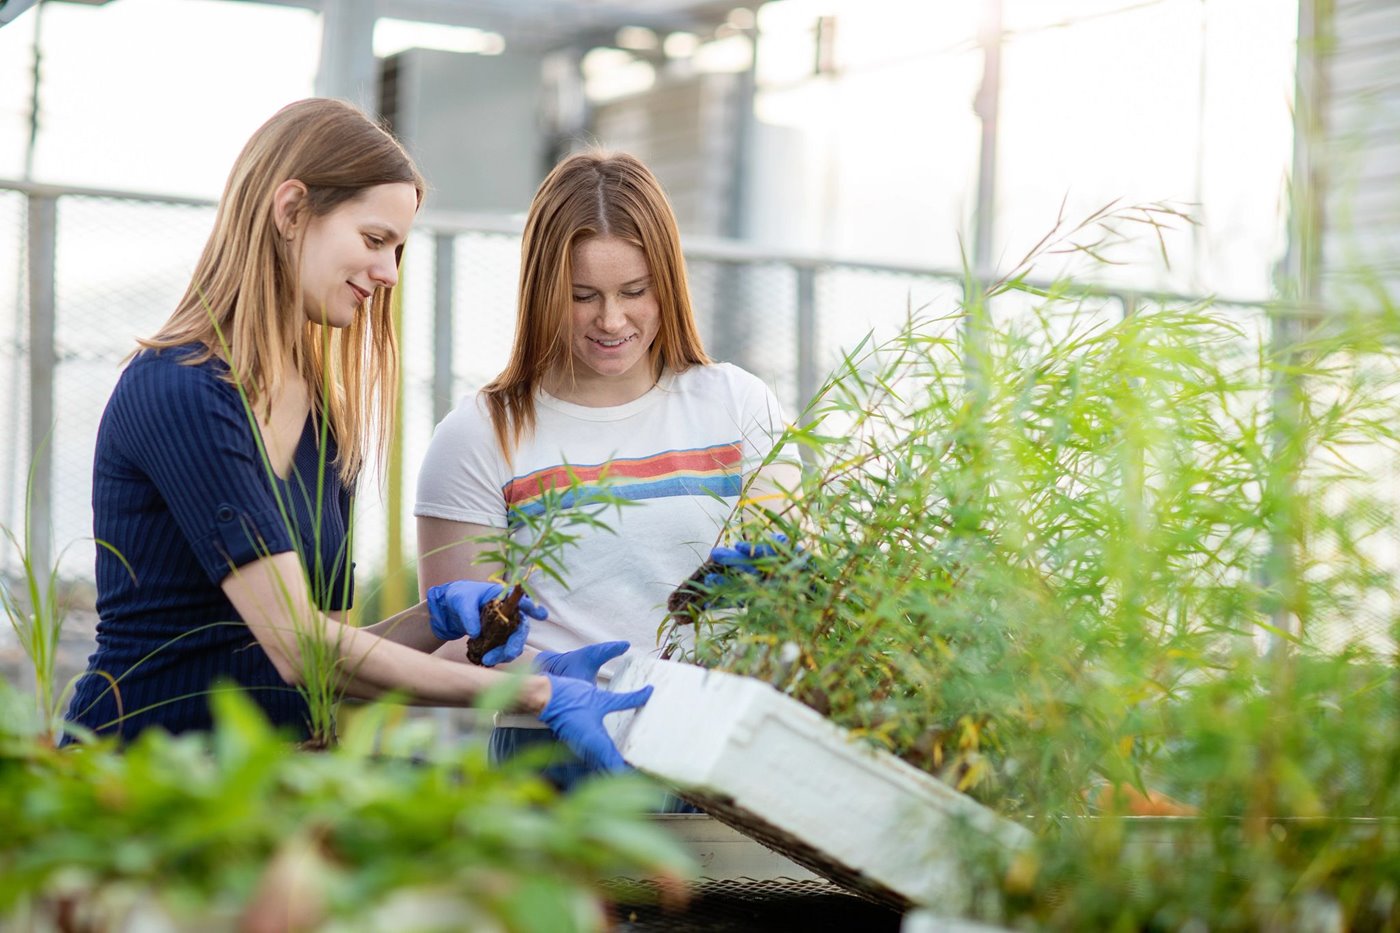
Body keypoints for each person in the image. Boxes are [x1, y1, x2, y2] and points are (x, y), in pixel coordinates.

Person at [62, 99, 648, 771]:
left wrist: (436, 619)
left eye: (399, 249)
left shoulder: (324, 420)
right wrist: (535, 691)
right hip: (136, 783)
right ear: (289, 211)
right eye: (375, 240)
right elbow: (297, 644)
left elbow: (334, 657)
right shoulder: (181, 389)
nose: (390, 273)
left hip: (260, 789)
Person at [415, 151, 800, 784]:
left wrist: (775, 577)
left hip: (713, 749)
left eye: (635, 292)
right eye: (583, 296)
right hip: (551, 756)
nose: (612, 320)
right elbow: (457, 643)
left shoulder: (737, 404)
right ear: (542, 290)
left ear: (668, 283)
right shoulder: (479, 435)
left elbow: (790, 576)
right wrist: (540, 683)